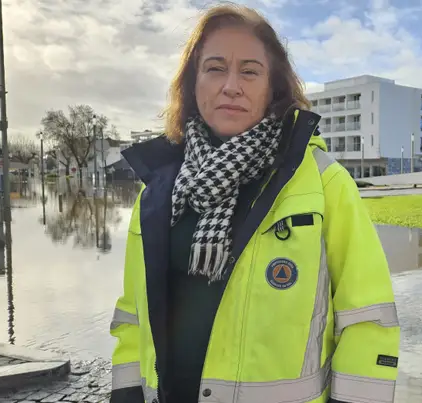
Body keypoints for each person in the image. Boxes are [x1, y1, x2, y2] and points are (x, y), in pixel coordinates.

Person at [109, 5, 400, 403]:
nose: (232, 85)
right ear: (193, 83)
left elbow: (367, 320)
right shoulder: (157, 192)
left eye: (249, 71)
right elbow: (132, 317)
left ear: (273, 88)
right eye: (214, 68)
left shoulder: (323, 182)